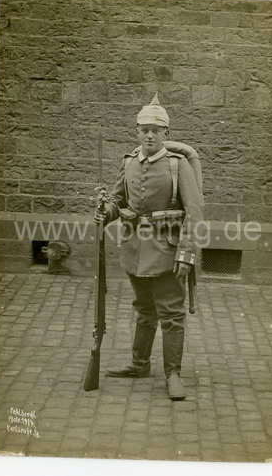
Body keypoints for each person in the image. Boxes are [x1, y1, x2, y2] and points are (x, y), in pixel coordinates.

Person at [94, 93, 203, 400]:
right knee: (143, 309)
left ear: (166, 133)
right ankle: (139, 364)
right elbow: (118, 201)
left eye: (156, 130)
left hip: (168, 253)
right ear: (137, 132)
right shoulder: (128, 162)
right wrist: (105, 211)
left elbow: (195, 214)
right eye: (144, 129)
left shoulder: (178, 166)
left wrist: (186, 253)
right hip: (134, 250)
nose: (150, 135)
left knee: (170, 313)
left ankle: (173, 374)